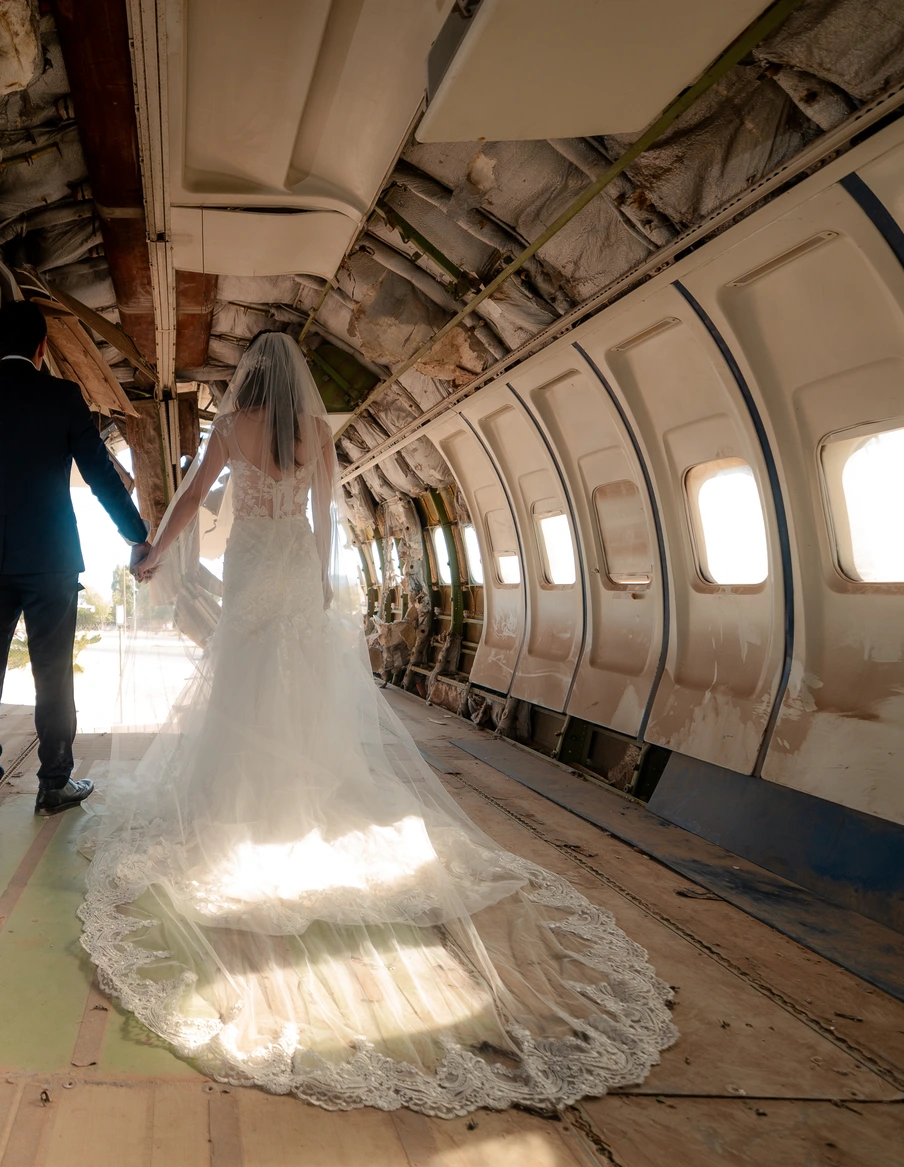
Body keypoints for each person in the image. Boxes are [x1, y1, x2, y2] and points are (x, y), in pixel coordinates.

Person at [81, 331, 677, 1118]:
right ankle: (303, 791)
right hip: (294, 559)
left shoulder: (232, 430)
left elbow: (193, 498)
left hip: (255, 561)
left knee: (244, 675)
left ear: (248, 381)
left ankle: (245, 803)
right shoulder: (316, 433)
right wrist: (327, 581)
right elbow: (329, 510)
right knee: (297, 680)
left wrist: (153, 551)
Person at [0, 301, 151, 813]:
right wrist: (135, 534)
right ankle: (54, 782)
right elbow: (101, 474)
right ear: (42, 348)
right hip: (51, 559)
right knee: (52, 671)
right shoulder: (63, 398)